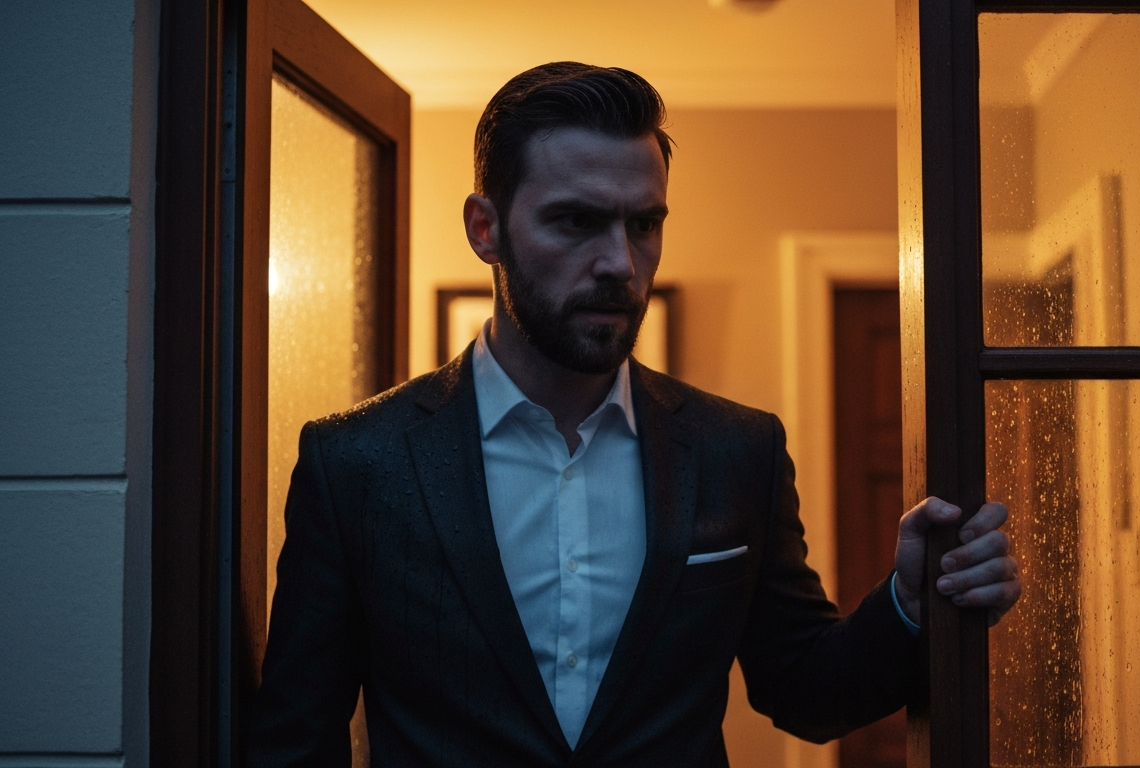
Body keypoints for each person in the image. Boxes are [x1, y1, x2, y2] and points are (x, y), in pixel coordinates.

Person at [248, 62, 1020, 767]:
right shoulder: (357, 463)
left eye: (644, 225)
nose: (620, 263)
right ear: (486, 229)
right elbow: (297, 741)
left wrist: (908, 605)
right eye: (576, 222)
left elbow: (805, 692)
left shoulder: (735, 451)